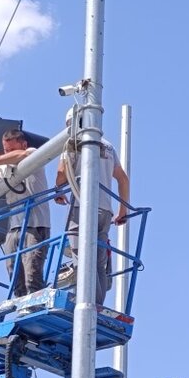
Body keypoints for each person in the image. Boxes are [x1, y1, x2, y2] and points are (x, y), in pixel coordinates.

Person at [54, 108, 130, 305]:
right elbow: (122, 178)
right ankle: (97, 304)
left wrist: (58, 190)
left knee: (82, 257)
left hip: (83, 207)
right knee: (98, 262)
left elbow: (62, 173)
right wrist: (124, 209)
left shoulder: (74, 143)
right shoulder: (108, 146)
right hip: (105, 210)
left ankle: (88, 304)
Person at [0, 128, 51, 297]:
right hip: (14, 228)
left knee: (32, 272)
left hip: (35, 225)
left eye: (11, 149)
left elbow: (22, 155)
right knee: (14, 272)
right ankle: (21, 307)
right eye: (5, 150)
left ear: (23, 144)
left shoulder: (31, 153)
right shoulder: (6, 167)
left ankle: (35, 304)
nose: (7, 153)